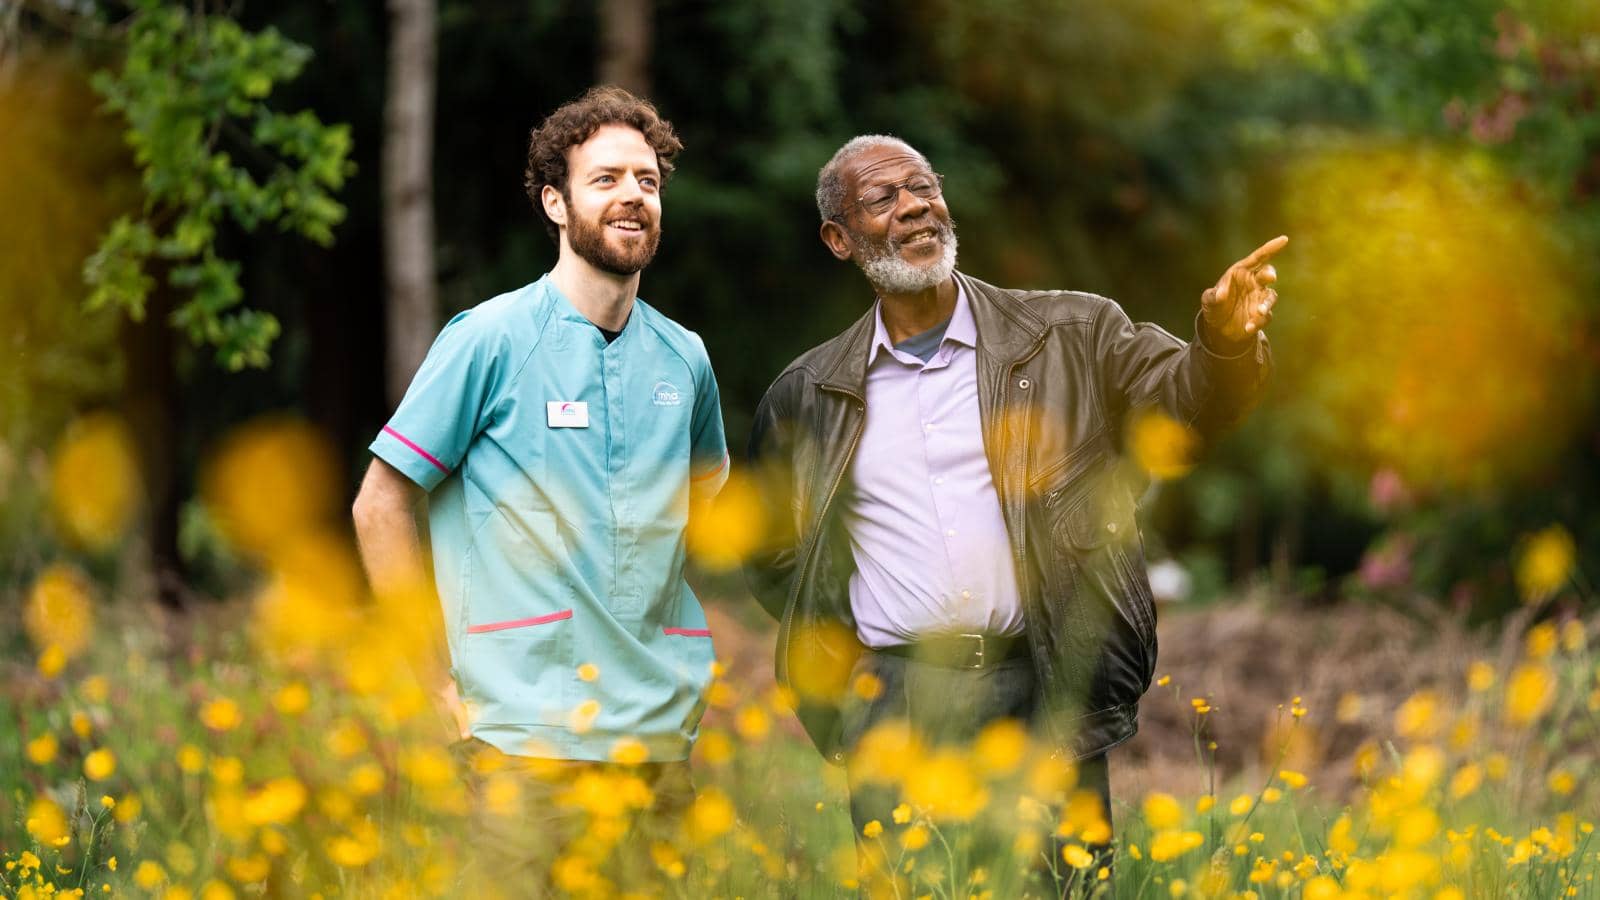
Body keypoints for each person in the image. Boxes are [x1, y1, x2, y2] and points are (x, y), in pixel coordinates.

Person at [745, 134, 1282, 895]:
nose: (915, 207)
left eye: (923, 187)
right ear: (839, 239)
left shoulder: (1073, 334)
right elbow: (774, 555)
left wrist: (1223, 343)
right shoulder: (807, 393)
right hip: (895, 706)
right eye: (882, 199)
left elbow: (1184, 402)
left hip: (1043, 684)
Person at [351, 86, 729, 884]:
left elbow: (705, 497)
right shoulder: (487, 340)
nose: (633, 195)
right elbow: (381, 503)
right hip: (520, 743)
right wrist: (426, 680)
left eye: (648, 180)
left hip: (657, 744)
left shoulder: (685, 358)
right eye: (607, 180)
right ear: (556, 203)